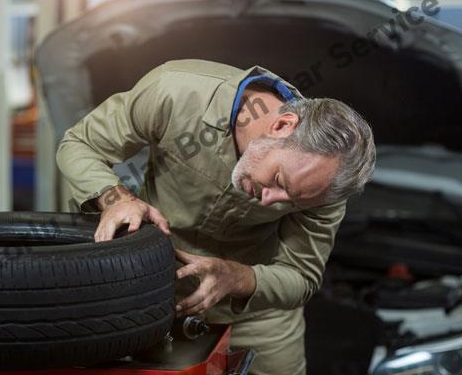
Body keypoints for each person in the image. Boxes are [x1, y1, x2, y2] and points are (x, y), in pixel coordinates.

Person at [56, 59, 375, 375]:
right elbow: (80, 144)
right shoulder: (177, 92)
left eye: (293, 203)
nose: (271, 200)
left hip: (254, 314)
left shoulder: (324, 186)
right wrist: (116, 198)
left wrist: (237, 277)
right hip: (148, 292)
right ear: (281, 126)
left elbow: (302, 277)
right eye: (279, 181)